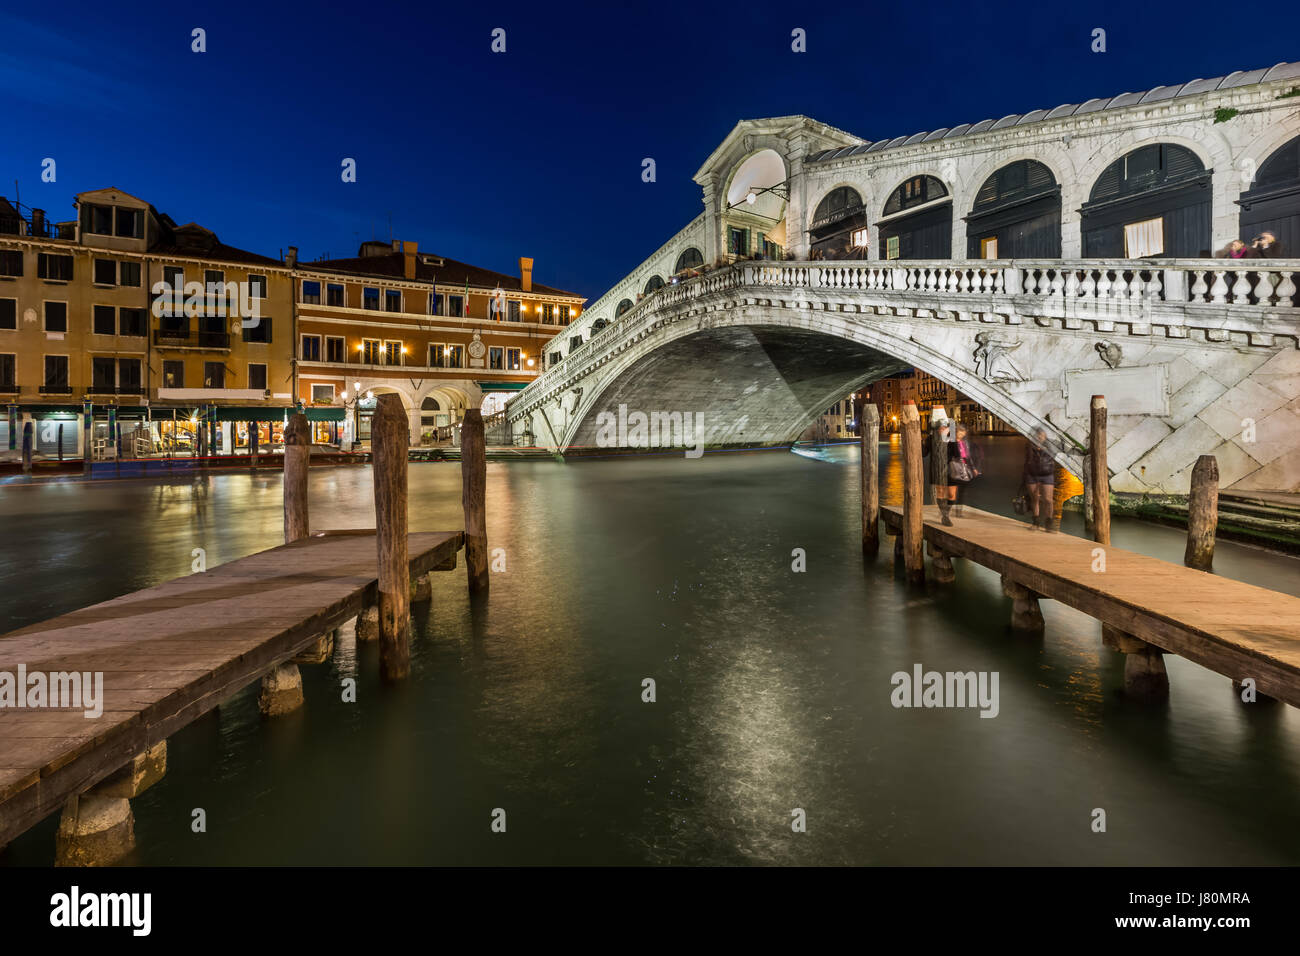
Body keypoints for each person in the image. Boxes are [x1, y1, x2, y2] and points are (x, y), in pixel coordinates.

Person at [1023, 428, 1057, 531]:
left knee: (1048, 500)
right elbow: (1027, 459)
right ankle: (1036, 523)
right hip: (1032, 475)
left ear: (1045, 437)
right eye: (1037, 435)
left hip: (1046, 474)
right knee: (1035, 499)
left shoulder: (1050, 447)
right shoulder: (1029, 446)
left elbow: (1056, 453)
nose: (1038, 437)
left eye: (1041, 435)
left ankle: (1049, 523)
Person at [946, 422, 983, 517]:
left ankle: (958, 512)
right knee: (951, 494)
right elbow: (947, 456)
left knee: (962, 492)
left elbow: (968, 457)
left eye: (964, 432)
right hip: (952, 469)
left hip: (963, 470)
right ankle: (946, 512)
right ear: (956, 432)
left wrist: (974, 468)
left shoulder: (964, 443)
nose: (962, 434)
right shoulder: (950, 442)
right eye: (960, 431)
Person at [922, 418, 952, 525]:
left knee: (951, 494)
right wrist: (922, 442)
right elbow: (924, 453)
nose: (942, 429)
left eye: (945, 427)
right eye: (940, 427)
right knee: (941, 492)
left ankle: (946, 513)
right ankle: (945, 516)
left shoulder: (951, 437)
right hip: (937, 468)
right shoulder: (930, 438)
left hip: (950, 469)